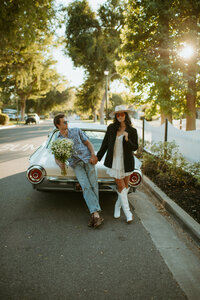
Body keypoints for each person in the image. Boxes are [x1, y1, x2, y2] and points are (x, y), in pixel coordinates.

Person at [53, 113, 103, 228]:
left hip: (88, 160)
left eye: (67, 121)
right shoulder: (58, 139)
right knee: (85, 186)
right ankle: (96, 214)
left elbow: (88, 143)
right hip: (76, 164)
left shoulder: (76, 131)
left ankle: (95, 214)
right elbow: (56, 156)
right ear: (58, 125)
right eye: (64, 122)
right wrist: (60, 163)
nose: (67, 123)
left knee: (93, 184)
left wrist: (93, 155)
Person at [97, 105, 138, 223]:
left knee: (125, 187)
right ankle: (128, 213)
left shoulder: (132, 130)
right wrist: (98, 157)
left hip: (127, 161)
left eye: (122, 114)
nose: (120, 116)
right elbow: (105, 144)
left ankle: (117, 206)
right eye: (118, 114)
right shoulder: (111, 128)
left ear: (126, 115)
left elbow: (135, 147)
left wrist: (127, 139)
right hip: (114, 161)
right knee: (121, 187)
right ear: (116, 116)